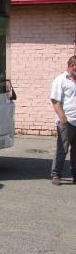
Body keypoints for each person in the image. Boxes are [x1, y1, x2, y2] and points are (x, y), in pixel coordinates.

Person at [50, 55, 76, 186]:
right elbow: (55, 101)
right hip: (67, 121)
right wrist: (63, 119)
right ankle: (56, 175)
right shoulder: (60, 80)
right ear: (72, 66)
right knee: (62, 149)